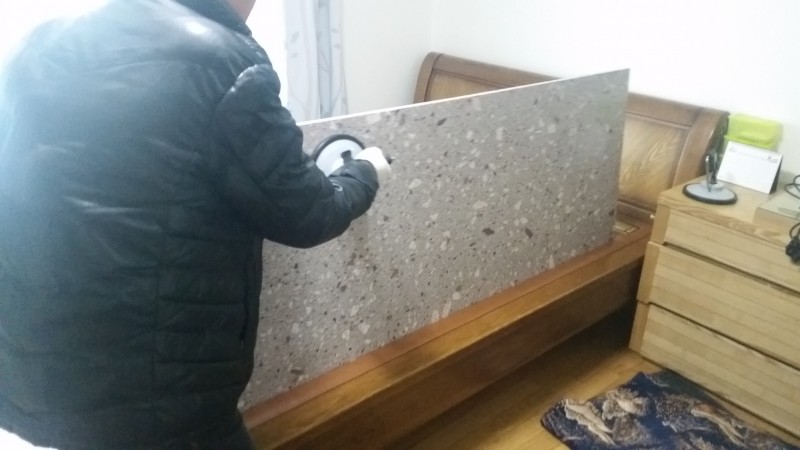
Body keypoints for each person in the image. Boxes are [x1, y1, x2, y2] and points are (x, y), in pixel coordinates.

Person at [0, 0, 384, 448]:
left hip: (27, 387)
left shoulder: (38, 42)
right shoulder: (224, 62)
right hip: (160, 404)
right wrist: (365, 171)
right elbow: (309, 212)